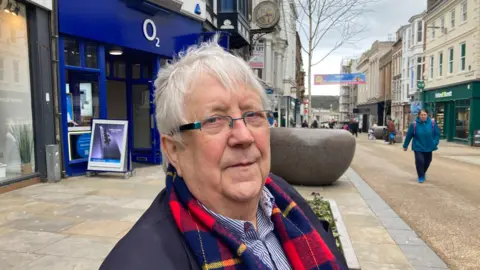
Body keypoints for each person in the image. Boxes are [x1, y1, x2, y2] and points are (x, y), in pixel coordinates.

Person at [100, 35, 346, 270]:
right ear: (174, 150)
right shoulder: (138, 261)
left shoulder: (286, 200)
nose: (244, 136)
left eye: (252, 115)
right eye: (215, 120)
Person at [403, 109, 440, 183]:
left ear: (427, 115)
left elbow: (437, 134)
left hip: (429, 146)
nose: (423, 116)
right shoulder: (414, 124)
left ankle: (422, 172)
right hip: (418, 146)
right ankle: (421, 176)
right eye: (421, 115)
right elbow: (409, 136)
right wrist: (405, 145)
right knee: (420, 161)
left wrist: (435, 142)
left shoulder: (432, 123)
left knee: (428, 161)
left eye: (425, 114)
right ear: (419, 116)